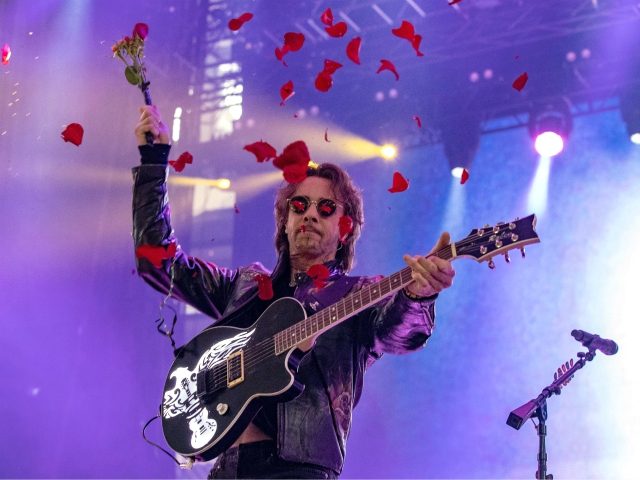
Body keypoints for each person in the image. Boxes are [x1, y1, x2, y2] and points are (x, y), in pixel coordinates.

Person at [132, 105, 455, 479]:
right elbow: (158, 262)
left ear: (345, 229)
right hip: (226, 469)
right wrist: (153, 161)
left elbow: (398, 333)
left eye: (327, 207)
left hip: (300, 470)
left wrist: (418, 296)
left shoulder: (359, 294)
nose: (310, 214)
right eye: (299, 205)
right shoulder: (245, 286)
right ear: (284, 221)